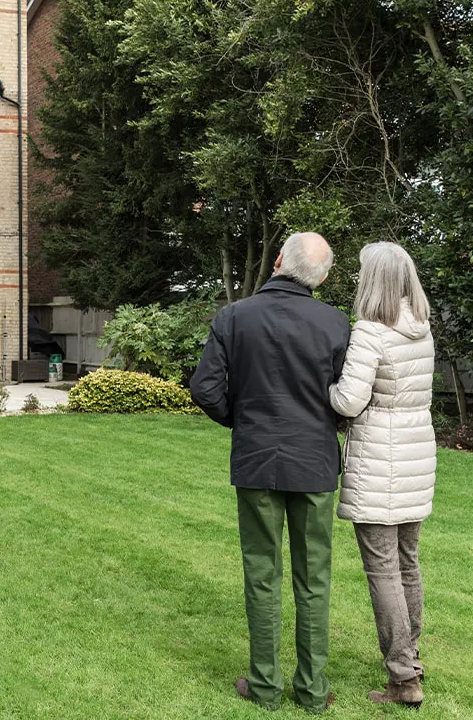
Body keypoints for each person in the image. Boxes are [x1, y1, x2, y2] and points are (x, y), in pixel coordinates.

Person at [189, 232, 351, 713]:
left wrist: (241, 420)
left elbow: (204, 388)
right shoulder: (336, 322)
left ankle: (264, 687)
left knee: (262, 574)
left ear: (278, 261)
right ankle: (313, 691)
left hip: (257, 458)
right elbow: (349, 397)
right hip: (315, 461)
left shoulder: (235, 316)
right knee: (314, 578)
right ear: (322, 278)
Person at [329, 241, 436, 708]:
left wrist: (325, 387)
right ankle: (412, 658)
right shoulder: (422, 327)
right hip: (416, 457)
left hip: (379, 461)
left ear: (372, 280)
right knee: (408, 563)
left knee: (382, 569)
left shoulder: (371, 331)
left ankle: (402, 679)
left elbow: (350, 401)